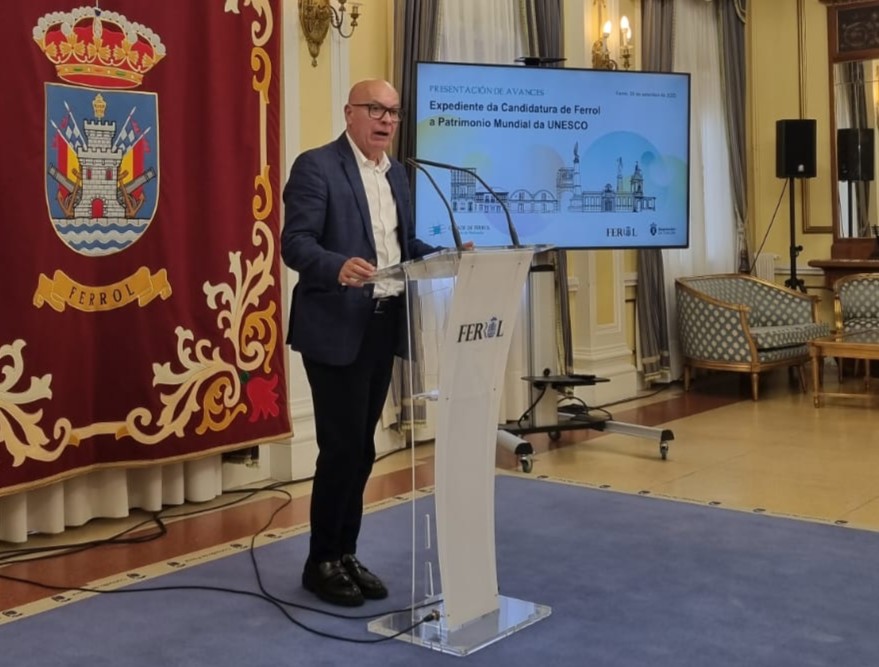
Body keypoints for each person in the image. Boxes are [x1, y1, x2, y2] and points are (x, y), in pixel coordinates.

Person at [280, 79, 441, 607]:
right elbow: (295, 243)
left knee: (363, 448)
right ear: (350, 113)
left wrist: (444, 253)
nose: (387, 120)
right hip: (334, 326)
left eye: (393, 112)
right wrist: (337, 265)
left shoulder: (397, 175)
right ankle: (320, 561)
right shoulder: (317, 166)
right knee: (342, 447)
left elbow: (401, 244)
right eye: (376, 109)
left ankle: (345, 552)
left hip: (383, 323)